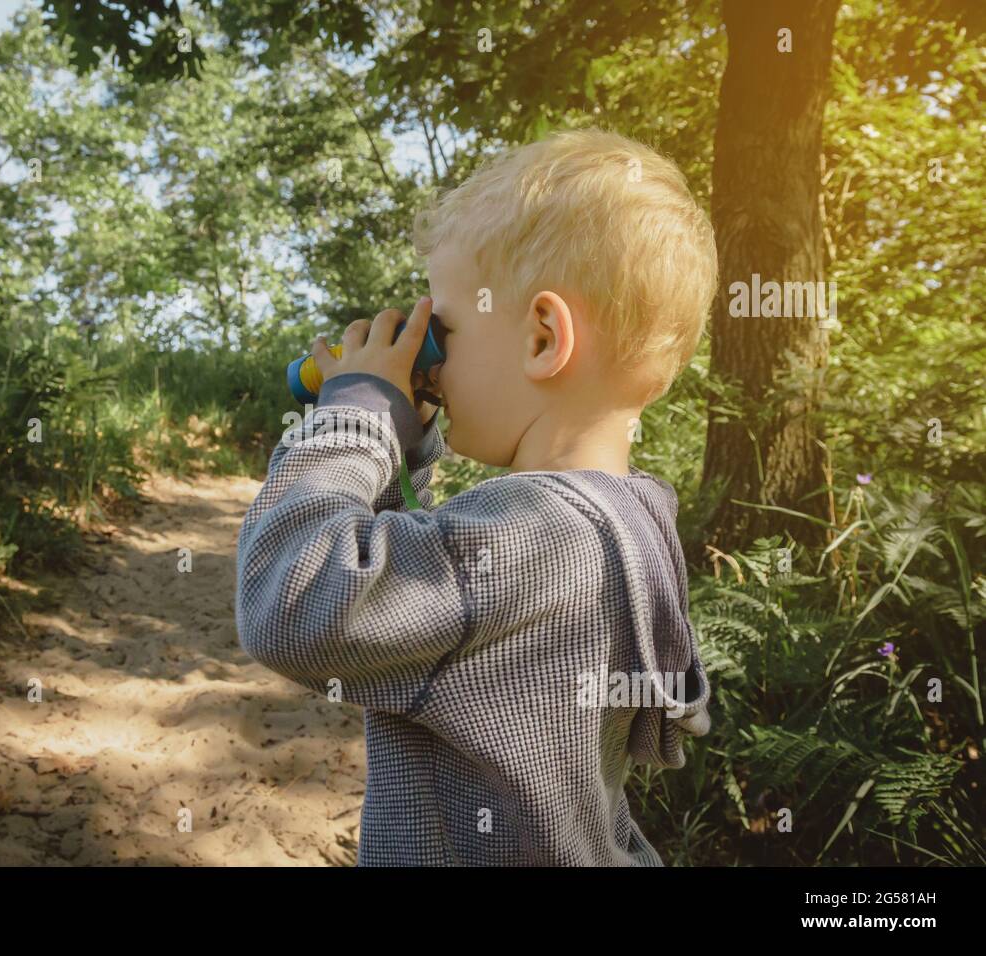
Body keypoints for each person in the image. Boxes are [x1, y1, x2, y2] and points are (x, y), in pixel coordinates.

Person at [236, 129, 717, 866]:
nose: (433, 365)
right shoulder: (631, 522)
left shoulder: (527, 536)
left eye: (445, 333)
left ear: (541, 339)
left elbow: (292, 601)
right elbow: (417, 608)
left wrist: (349, 419)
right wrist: (405, 445)